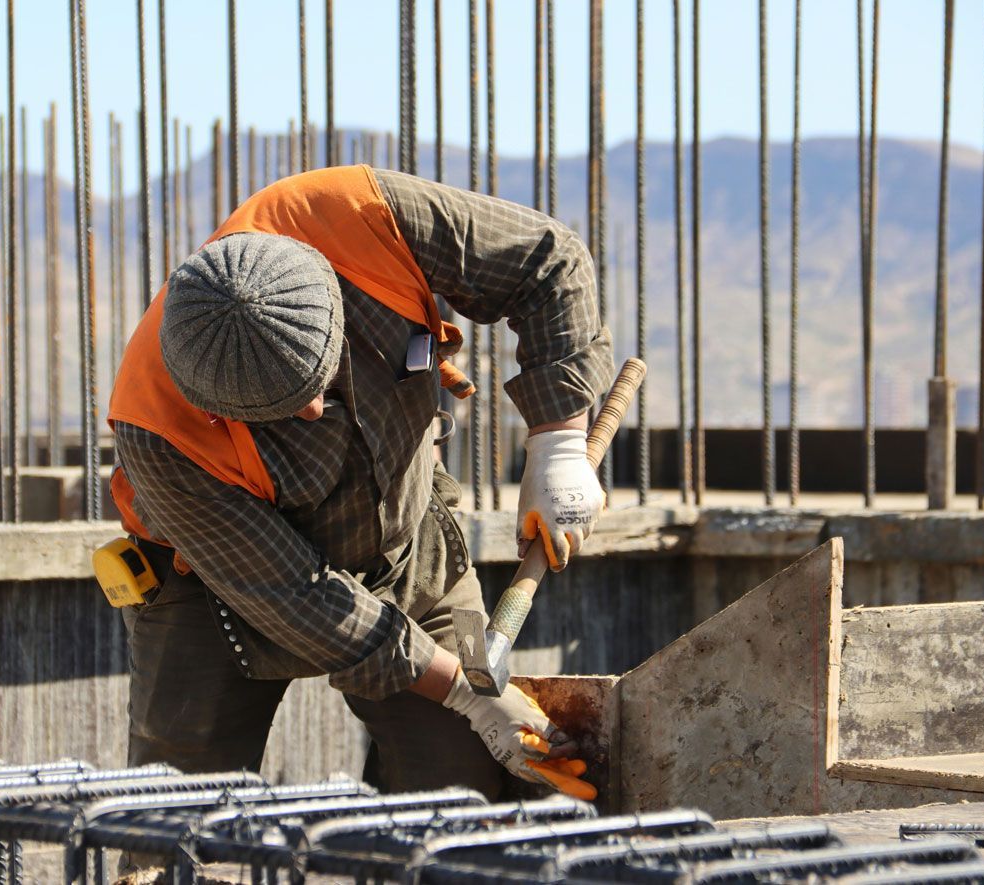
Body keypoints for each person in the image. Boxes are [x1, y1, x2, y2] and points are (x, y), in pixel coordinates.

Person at [107, 164, 613, 801]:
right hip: (213, 587)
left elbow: (550, 263)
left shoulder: (357, 216)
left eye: (317, 384)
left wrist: (558, 441)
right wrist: (464, 690)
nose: (314, 414)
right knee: (172, 818)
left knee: (469, 792)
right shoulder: (159, 430)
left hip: (407, 547)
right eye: (278, 415)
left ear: (333, 305)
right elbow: (303, 599)